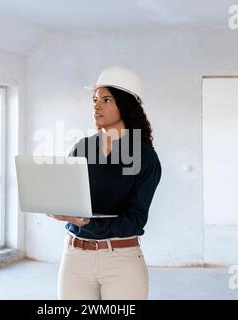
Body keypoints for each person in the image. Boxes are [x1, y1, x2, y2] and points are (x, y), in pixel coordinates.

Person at [48, 66, 162, 300]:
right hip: (74, 257)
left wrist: (88, 222)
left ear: (126, 105)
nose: (96, 106)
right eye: (95, 99)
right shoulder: (82, 147)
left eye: (106, 99)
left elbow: (135, 219)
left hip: (120, 260)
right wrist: (59, 206)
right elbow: (70, 195)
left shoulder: (145, 157)